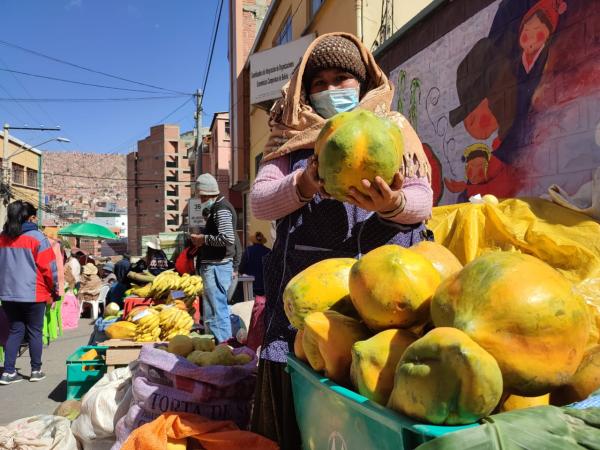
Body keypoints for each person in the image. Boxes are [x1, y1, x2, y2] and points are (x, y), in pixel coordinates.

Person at [249, 33, 434, 449]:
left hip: (387, 297)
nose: (331, 90)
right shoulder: (288, 138)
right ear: (304, 90)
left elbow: (423, 201)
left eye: (342, 79)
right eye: (319, 83)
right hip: (309, 299)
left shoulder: (394, 129)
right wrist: (305, 182)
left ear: (363, 83)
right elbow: (261, 201)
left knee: (378, 391)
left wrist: (394, 203)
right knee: (306, 408)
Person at [0, 201, 58, 384]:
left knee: (15, 331)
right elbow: (50, 269)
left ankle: (8, 372)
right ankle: (36, 370)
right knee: (35, 332)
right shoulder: (37, 238)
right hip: (34, 294)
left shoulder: (2, 238)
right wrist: (54, 290)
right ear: (30, 217)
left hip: (8, 294)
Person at [190, 173, 237, 343]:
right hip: (215, 265)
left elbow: (227, 238)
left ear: (209, 194)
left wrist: (203, 239)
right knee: (213, 310)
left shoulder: (221, 209)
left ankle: (224, 346)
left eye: (202, 196)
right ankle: (217, 345)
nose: (201, 200)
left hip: (217, 266)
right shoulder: (216, 208)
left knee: (218, 311)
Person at [239, 231, 271, 297]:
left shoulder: (248, 250)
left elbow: (241, 268)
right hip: (264, 285)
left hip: (250, 284)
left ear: (253, 241)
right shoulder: (268, 251)